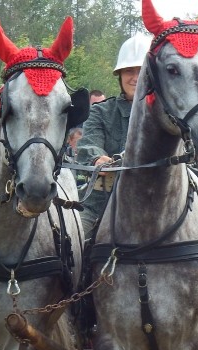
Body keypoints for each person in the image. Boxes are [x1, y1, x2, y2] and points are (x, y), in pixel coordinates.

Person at [76, 32, 151, 235]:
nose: (135, 77)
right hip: (100, 204)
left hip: (155, 205)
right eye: (128, 71)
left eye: (141, 70)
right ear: (119, 75)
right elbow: (87, 144)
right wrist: (96, 159)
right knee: (70, 246)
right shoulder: (100, 111)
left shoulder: (168, 113)